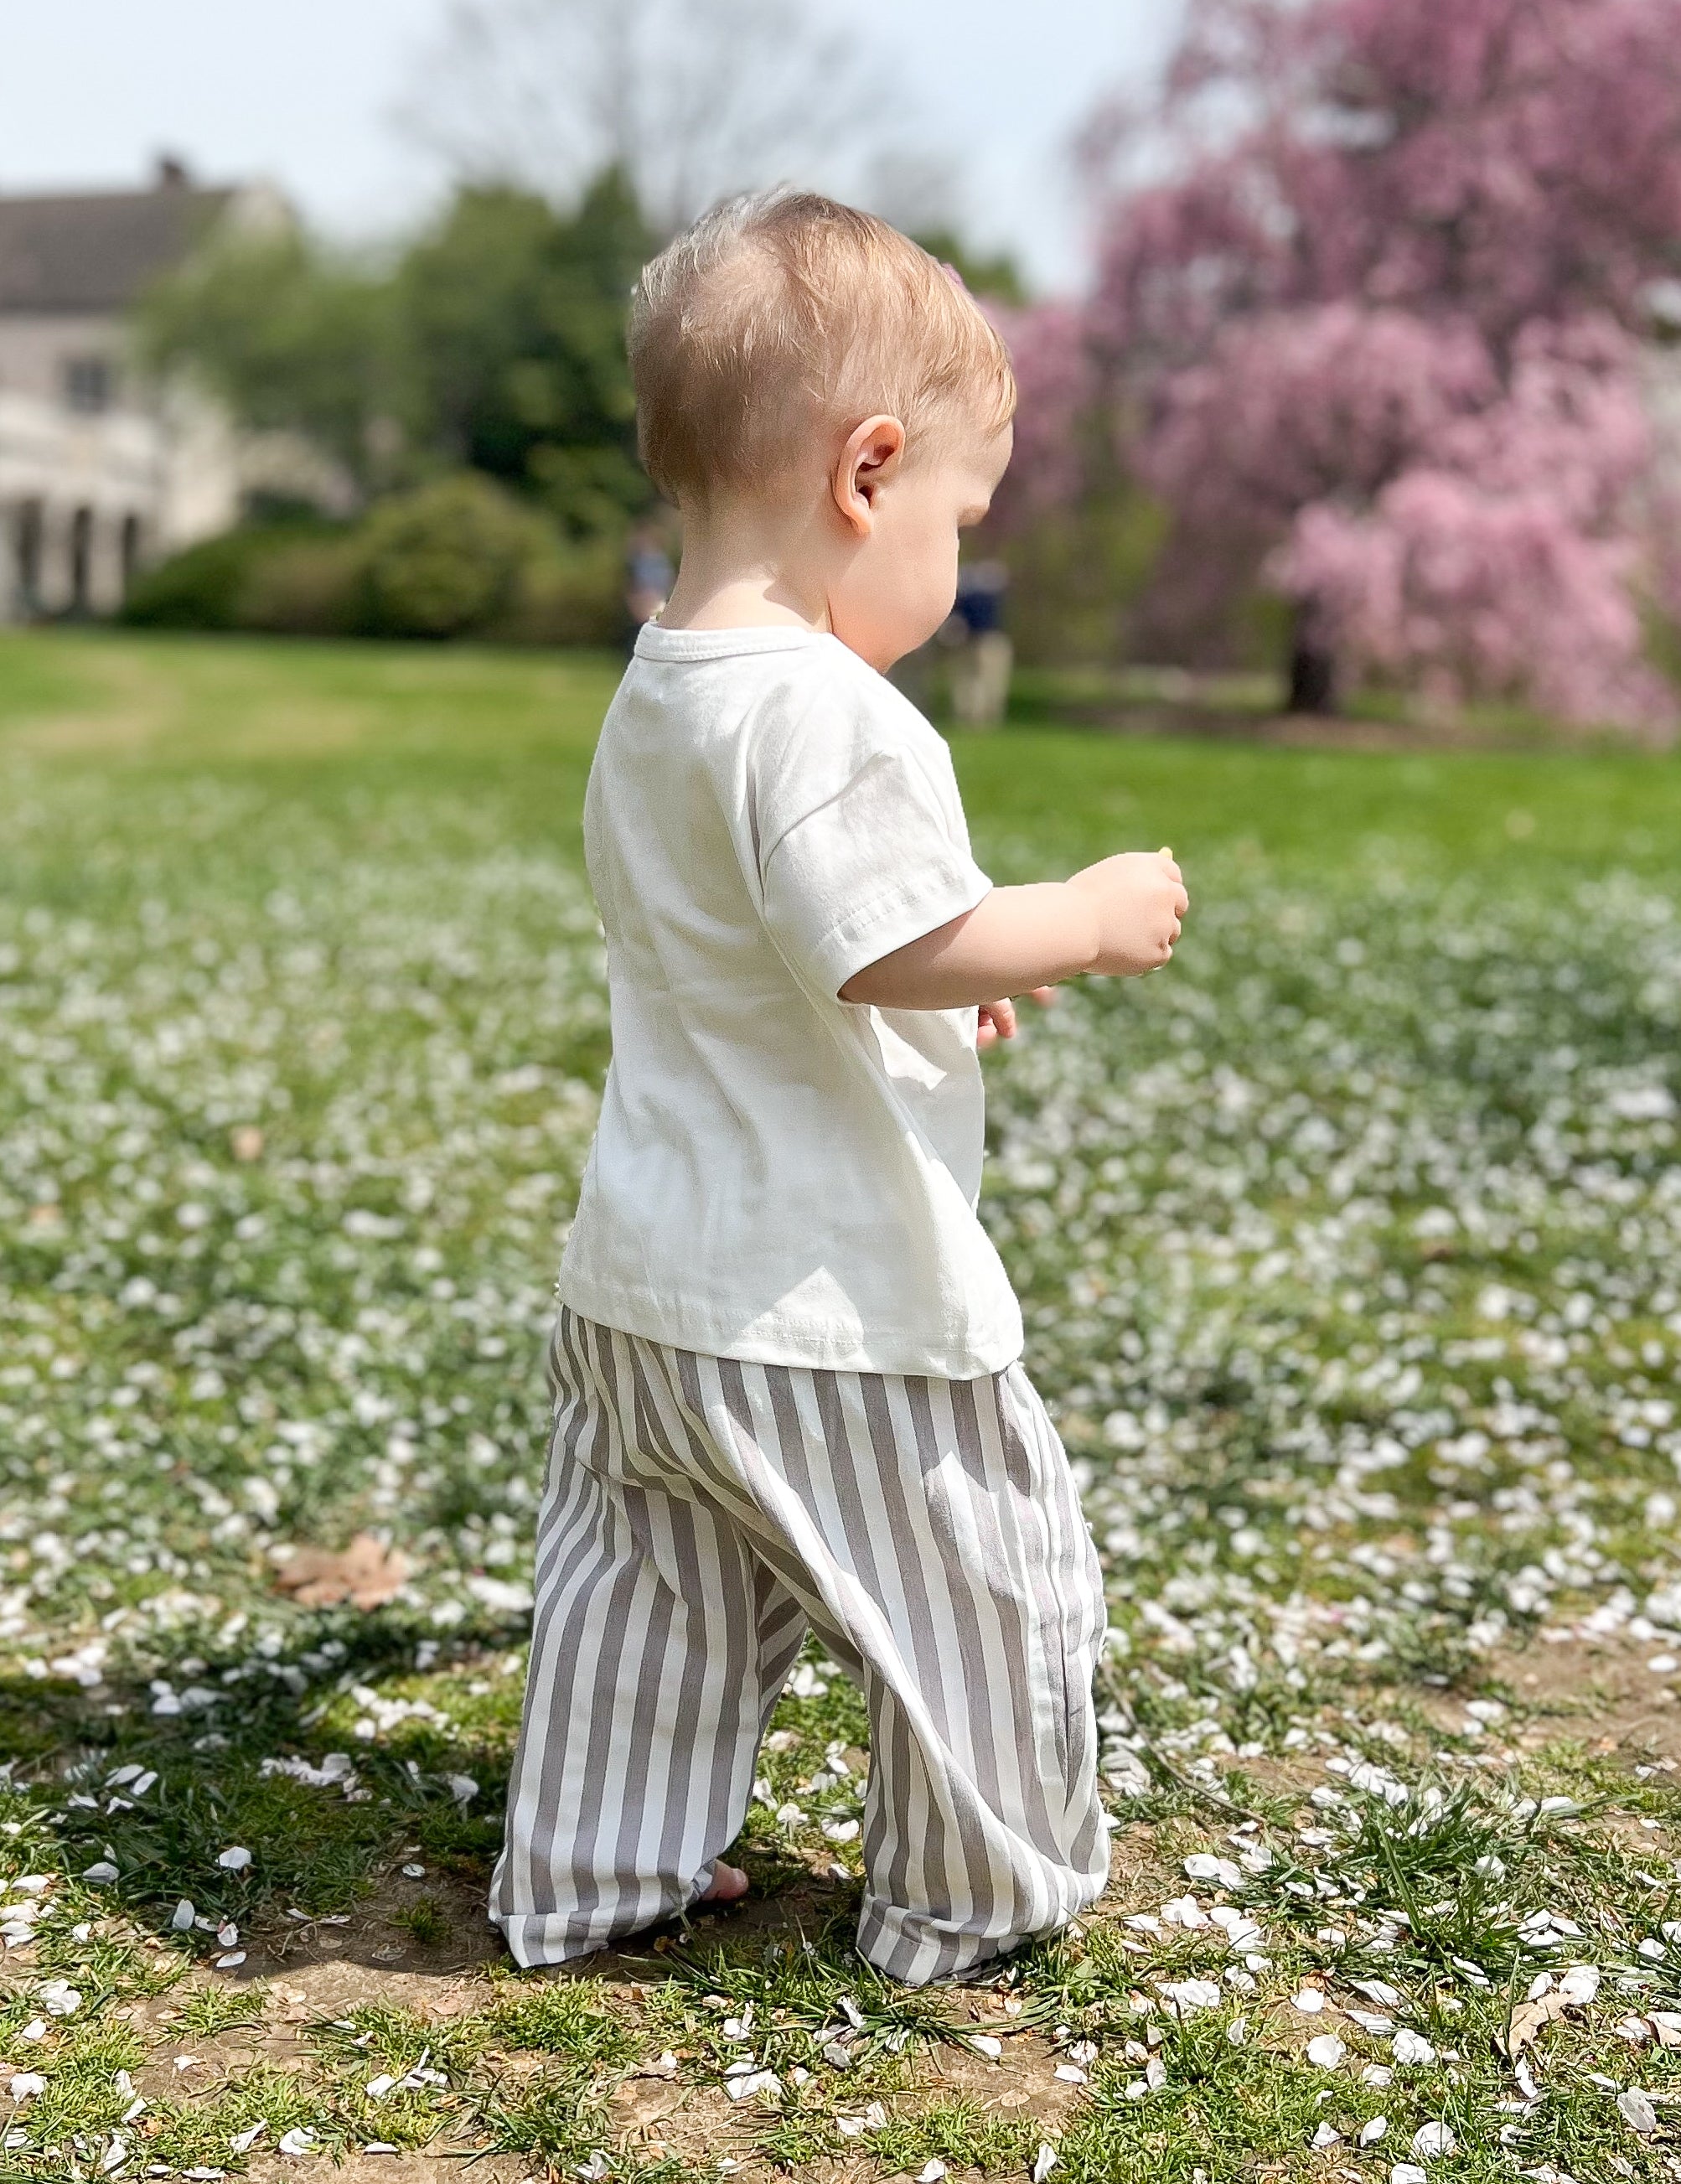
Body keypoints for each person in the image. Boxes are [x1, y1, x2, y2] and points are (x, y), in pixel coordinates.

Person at [489, 190, 1188, 1987]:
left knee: (651, 1600)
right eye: (962, 513)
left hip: (645, 1290)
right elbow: (888, 940)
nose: (958, 560)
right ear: (866, 473)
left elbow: (771, 952)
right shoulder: (826, 706)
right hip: (830, 1303)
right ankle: (974, 1892)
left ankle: (595, 1868)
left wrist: (949, 1000)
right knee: (980, 1581)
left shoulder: (660, 684)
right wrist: (1075, 922)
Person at [948, 557, 1012, 727]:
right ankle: (986, 717)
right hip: (990, 640)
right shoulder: (991, 597)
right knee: (988, 680)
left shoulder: (964, 596)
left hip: (969, 640)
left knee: (968, 680)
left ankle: (968, 716)